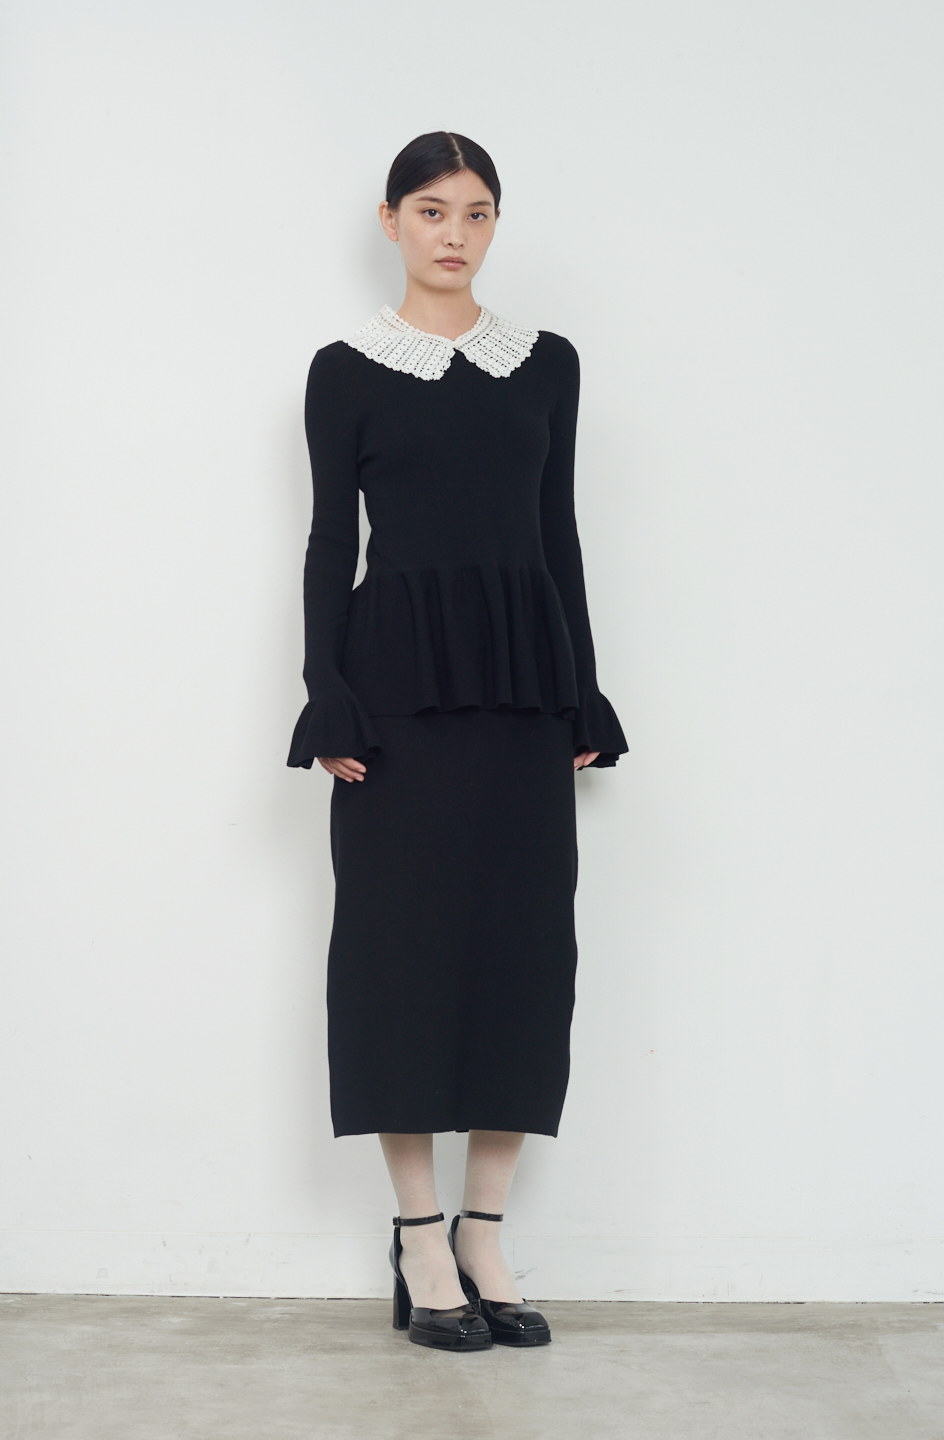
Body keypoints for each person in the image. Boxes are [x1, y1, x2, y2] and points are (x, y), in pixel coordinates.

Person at [288, 131, 627, 1350]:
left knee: (523, 956)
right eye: (431, 210)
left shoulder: (548, 364)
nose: (455, 233)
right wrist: (327, 692)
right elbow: (331, 542)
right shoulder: (345, 370)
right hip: (397, 701)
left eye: (477, 212)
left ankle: (486, 1229)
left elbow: (558, 532)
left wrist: (584, 689)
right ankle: (420, 1236)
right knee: (402, 958)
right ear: (391, 222)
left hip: (522, 695)